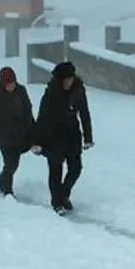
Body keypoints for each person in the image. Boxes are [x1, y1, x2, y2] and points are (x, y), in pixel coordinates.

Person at [33, 61, 93, 214]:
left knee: (76, 168)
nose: (68, 82)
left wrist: (88, 137)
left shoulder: (78, 90)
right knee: (55, 170)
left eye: (70, 79)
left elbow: (84, 114)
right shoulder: (51, 93)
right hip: (53, 136)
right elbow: (42, 117)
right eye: (65, 79)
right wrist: (37, 141)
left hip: (72, 134)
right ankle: (56, 202)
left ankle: (64, 194)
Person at [0, 66, 35, 196]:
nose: (11, 86)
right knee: (10, 163)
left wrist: (33, 130)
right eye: (8, 84)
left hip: (21, 134)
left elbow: (28, 111)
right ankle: (7, 191)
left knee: (13, 164)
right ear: (3, 83)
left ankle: (2, 178)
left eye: (13, 83)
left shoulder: (21, 91)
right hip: (4, 136)